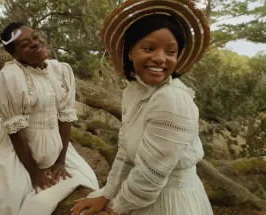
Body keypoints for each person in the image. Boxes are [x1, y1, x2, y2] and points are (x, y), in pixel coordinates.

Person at [71, 0, 214, 214]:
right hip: (139, 200)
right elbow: (126, 154)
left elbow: (152, 174)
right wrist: (107, 194)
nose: (159, 58)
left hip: (170, 203)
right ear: (130, 52)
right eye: (148, 48)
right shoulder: (135, 92)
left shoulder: (172, 98)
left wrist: (116, 209)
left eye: (171, 52)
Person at [0, 22, 99, 215]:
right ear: (15, 55)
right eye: (24, 44)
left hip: (56, 145)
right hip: (19, 150)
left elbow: (65, 117)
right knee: (10, 199)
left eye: (36, 37)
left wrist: (61, 161)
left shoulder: (61, 71)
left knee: (89, 181)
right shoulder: (11, 77)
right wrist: (33, 172)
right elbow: (15, 130)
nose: (35, 43)